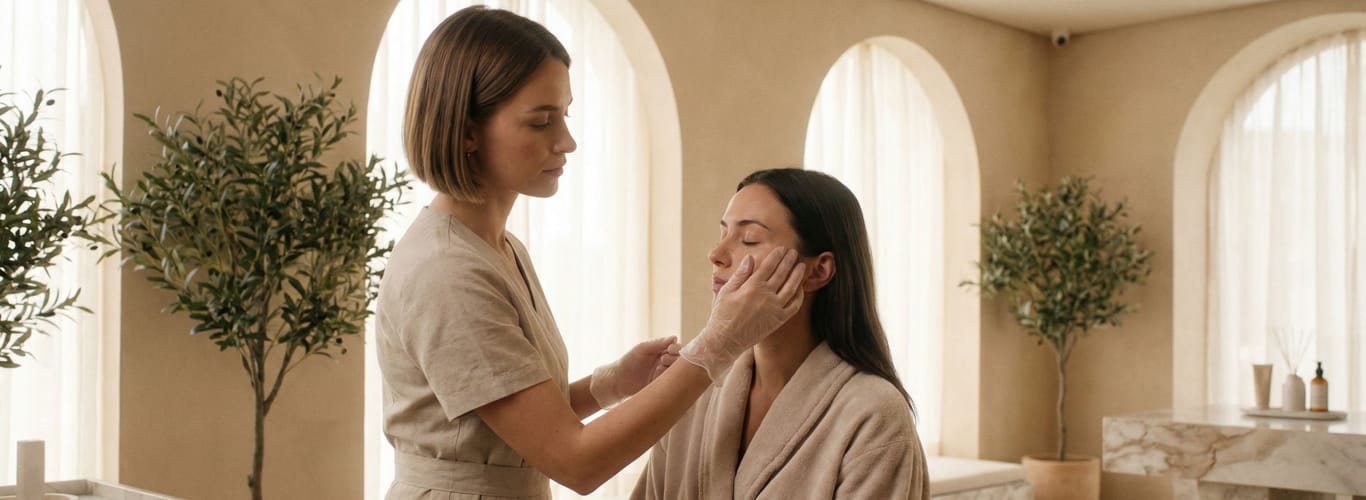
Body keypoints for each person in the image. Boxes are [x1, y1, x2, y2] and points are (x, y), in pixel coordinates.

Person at [375, 6, 807, 499]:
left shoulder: (499, 248)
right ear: (468, 131)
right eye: (542, 122)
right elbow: (576, 463)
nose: (567, 142)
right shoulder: (448, 270)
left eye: (565, 116)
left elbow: (506, 425)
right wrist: (720, 341)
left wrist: (611, 384)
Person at [631, 168, 930, 499]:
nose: (716, 255)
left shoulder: (873, 414)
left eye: (749, 239)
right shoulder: (693, 391)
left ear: (819, 270)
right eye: (723, 233)